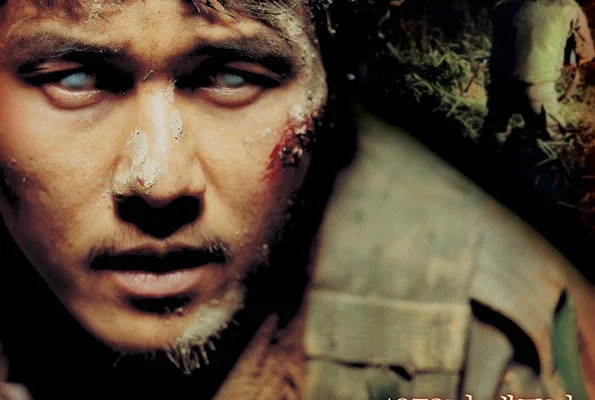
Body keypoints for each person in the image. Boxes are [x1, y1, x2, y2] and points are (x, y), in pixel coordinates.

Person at [0, 1, 588, 399]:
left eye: (232, 77)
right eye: (74, 78)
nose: (158, 182)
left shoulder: (490, 349)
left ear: (330, 98)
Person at [482, 0, 595, 144]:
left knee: (493, 137)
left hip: (500, 86)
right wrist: (561, 60)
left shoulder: (503, 5)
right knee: (552, 143)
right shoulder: (568, 7)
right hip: (537, 88)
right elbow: (587, 53)